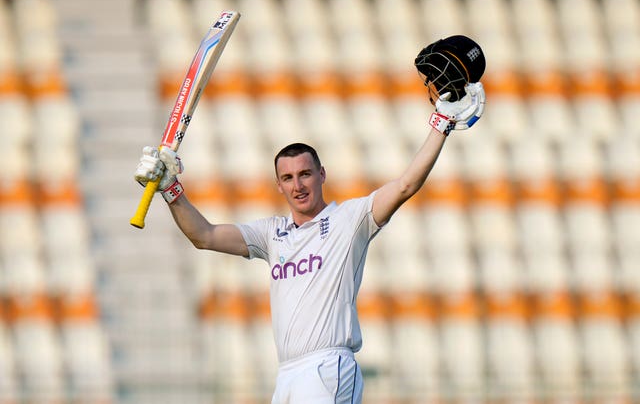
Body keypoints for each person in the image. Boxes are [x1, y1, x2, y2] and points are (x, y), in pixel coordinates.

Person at [134, 35, 486, 404]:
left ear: (322, 174)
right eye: (288, 178)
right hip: (287, 375)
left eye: (305, 174)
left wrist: (440, 125)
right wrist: (171, 189)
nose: (298, 185)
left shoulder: (350, 219)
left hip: (327, 367)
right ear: (279, 185)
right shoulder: (271, 234)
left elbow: (405, 185)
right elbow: (203, 236)